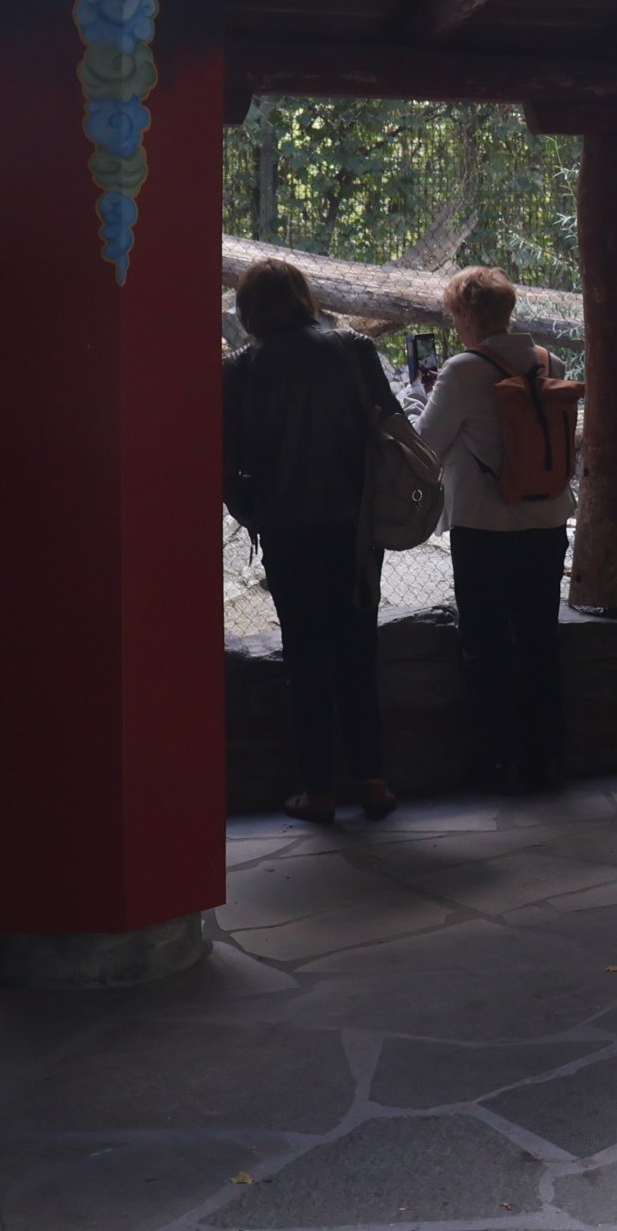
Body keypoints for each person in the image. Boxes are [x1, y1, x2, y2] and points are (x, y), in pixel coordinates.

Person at [222, 260, 400, 824]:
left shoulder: (240, 369)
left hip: (287, 530)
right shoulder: (353, 349)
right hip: (355, 529)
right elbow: (393, 428)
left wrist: (254, 511)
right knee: (357, 649)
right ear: (304, 297)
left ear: (248, 311)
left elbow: (224, 461)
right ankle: (372, 779)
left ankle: (318, 787)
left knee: (305, 656)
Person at [415, 266, 575, 792]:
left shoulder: (462, 371)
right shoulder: (549, 361)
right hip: (547, 523)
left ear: (465, 317)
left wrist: (421, 399)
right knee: (538, 641)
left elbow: (425, 448)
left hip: (484, 528)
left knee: (485, 643)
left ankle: (499, 760)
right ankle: (547, 756)